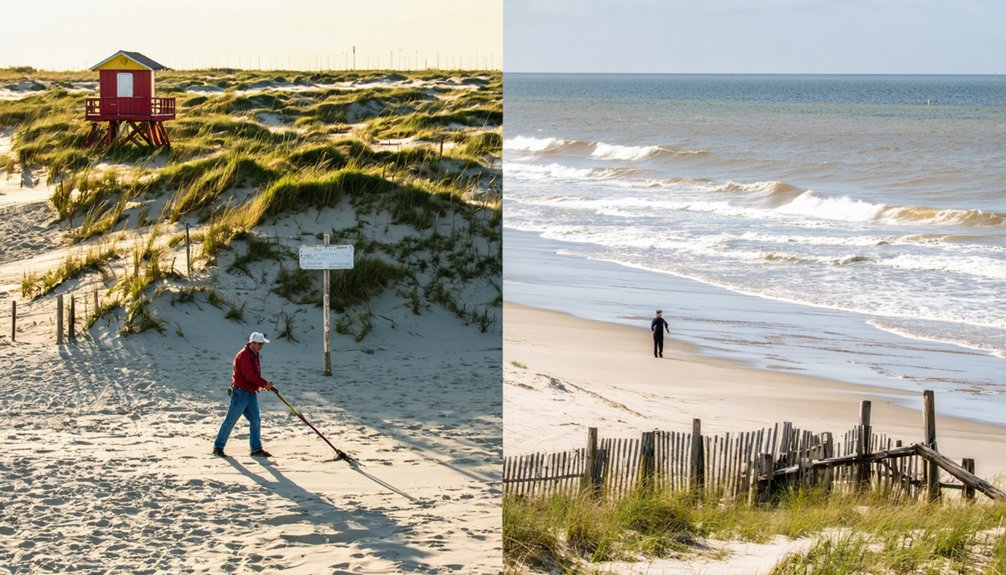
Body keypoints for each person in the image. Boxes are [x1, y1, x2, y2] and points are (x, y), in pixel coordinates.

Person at [212, 332, 274, 458]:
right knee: (230, 420)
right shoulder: (244, 355)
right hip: (240, 393)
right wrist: (264, 384)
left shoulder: (255, 354)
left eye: (261, 344)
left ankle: (256, 449)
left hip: (251, 393)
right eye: (260, 344)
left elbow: (254, 376)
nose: (261, 346)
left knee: (255, 420)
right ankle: (218, 447)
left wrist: (263, 385)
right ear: (253, 343)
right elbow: (249, 376)